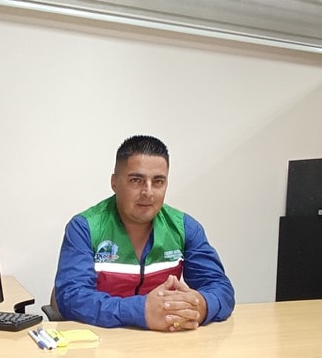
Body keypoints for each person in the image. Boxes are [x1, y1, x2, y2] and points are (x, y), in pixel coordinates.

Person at [53, 135, 235, 331]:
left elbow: (220, 288)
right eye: (136, 180)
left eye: (158, 181)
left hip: (164, 339)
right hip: (101, 340)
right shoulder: (85, 227)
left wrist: (200, 305)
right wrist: (140, 311)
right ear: (114, 183)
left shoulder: (185, 227)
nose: (148, 192)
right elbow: (71, 297)